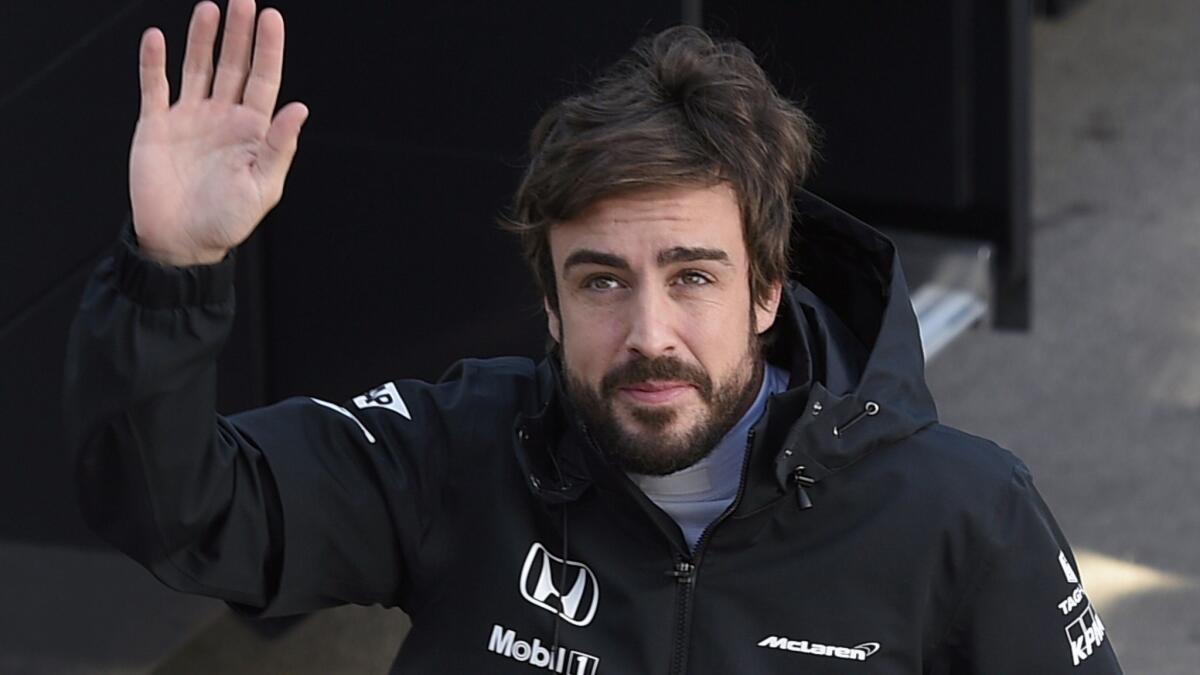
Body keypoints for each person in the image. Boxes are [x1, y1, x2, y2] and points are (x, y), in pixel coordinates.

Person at [64, 1, 1123, 673]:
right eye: (602, 281)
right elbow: (181, 509)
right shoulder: (458, 454)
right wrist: (173, 271)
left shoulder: (963, 515)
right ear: (550, 303)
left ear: (766, 288)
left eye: (692, 276)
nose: (647, 332)